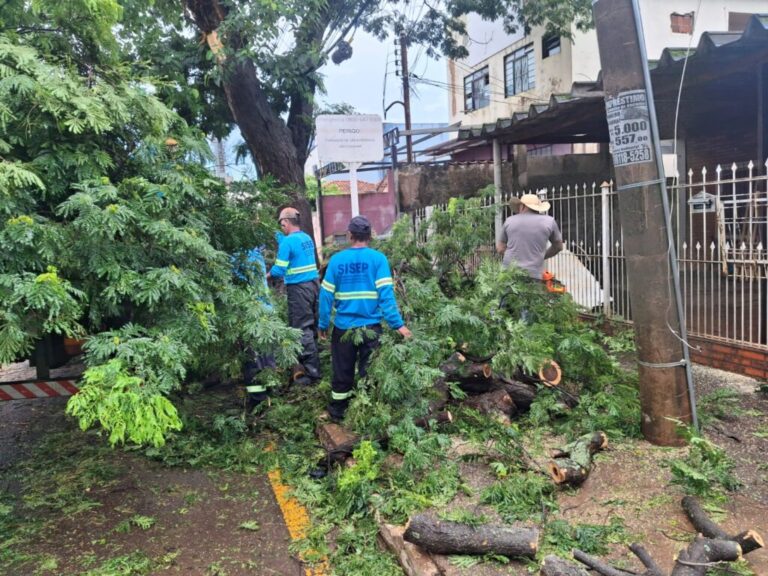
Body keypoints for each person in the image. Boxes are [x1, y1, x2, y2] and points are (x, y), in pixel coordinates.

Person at [318, 215, 412, 421]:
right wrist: (398, 325)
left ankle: (338, 412)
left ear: (350, 235)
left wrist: (323, 324)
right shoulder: (379, 260)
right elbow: (386, 296)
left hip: (343, 328)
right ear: (370, 236)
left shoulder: (337, 260)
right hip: (371, 328)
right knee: (369, 371)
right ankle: (368, 411)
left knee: (342, 371)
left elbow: (325, 295)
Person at [267, 207, 321, 386]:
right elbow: (288, 243)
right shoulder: (305, 238)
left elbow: (279, 270)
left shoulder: (287, 243)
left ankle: (311, 374)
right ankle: (311, 366)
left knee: (301, 329)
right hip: (313, 286)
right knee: (311, 326)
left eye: (281, 224)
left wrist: (265, 276)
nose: (281, 227)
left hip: (299, 289)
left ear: (286, 222)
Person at [233, 247, 276, 409]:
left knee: (252, 357)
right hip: (265, 309)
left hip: (250, 310)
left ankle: (258, 400)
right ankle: (271, 392)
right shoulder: (256, 253)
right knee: (266, 354)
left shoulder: (237, 255)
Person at [496, 193, 563, 280]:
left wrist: (514, 258)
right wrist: (541, 256)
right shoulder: (549, 221)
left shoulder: (509, 221)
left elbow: (500, 248)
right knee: (532, 289)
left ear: (523, 206)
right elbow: (558, 246)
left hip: (509, 272)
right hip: (534, 274)